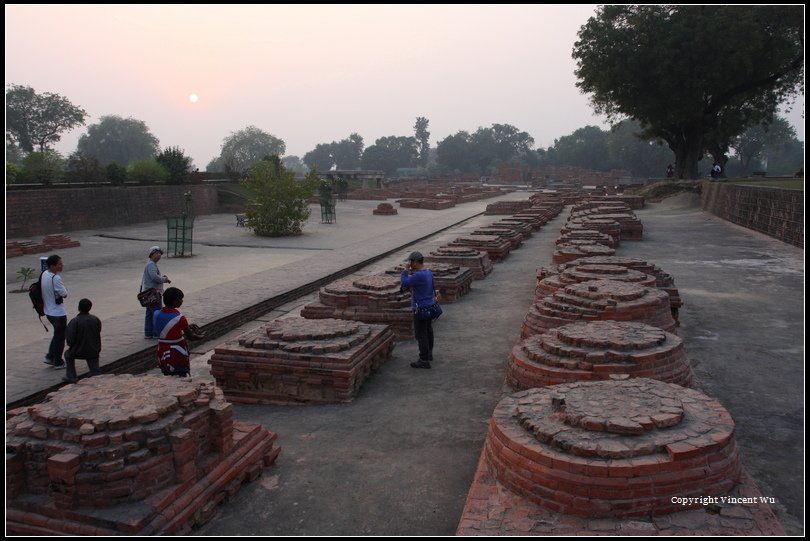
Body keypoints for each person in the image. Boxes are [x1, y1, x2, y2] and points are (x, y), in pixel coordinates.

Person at [153, 287, 205, 378]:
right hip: (176, 353)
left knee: (167, 375)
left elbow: (167, 328)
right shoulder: (180, 318)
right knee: (180, 376)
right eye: (180, 299)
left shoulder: (156, 314)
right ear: (174, 302)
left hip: (162, 350)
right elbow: (191, 337)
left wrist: (187, 327)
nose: (182, 301)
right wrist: (202, 336)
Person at [400, 251, 438, 369]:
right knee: (428, 331)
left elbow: (404, 282)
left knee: (421, 335)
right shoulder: (428, 273)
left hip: (420, 308)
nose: (409, 263)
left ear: (416, 262)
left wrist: (405, 271)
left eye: (410, 261)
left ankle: (424, 359)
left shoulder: (418, 275)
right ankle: (429, 354)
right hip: (429, 306)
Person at [63, 298, 102, 384]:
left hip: (78, 351)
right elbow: (98, 332)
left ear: (78, 308)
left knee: (67, 354)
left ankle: (72, 376)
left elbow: (70, 341)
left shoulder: (74, 321)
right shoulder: (95, 319)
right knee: (93, 358)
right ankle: (95, 372)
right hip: (94, 350)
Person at [42, 254, 68, 369]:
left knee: (57, 335)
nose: (62, 266)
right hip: (58, 313)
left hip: (48, 311)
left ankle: (50, 356)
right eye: (59, 264)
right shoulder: (56, 278)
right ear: (52, 266)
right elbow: (64, 294)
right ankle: (58, 361)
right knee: (60, 337)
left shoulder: (44, 274)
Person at [142, 245, 171, 339]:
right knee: (156, 312)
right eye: (156, 253)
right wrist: (164, 279)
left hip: (149, 293)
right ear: (151, 255)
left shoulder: (151, 264)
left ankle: (148, 332)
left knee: (149, 313)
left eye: (159, 254)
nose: (158, 255)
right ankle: (155, 333)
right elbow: (154, 277)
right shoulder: (151, 265)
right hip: (153, 294)